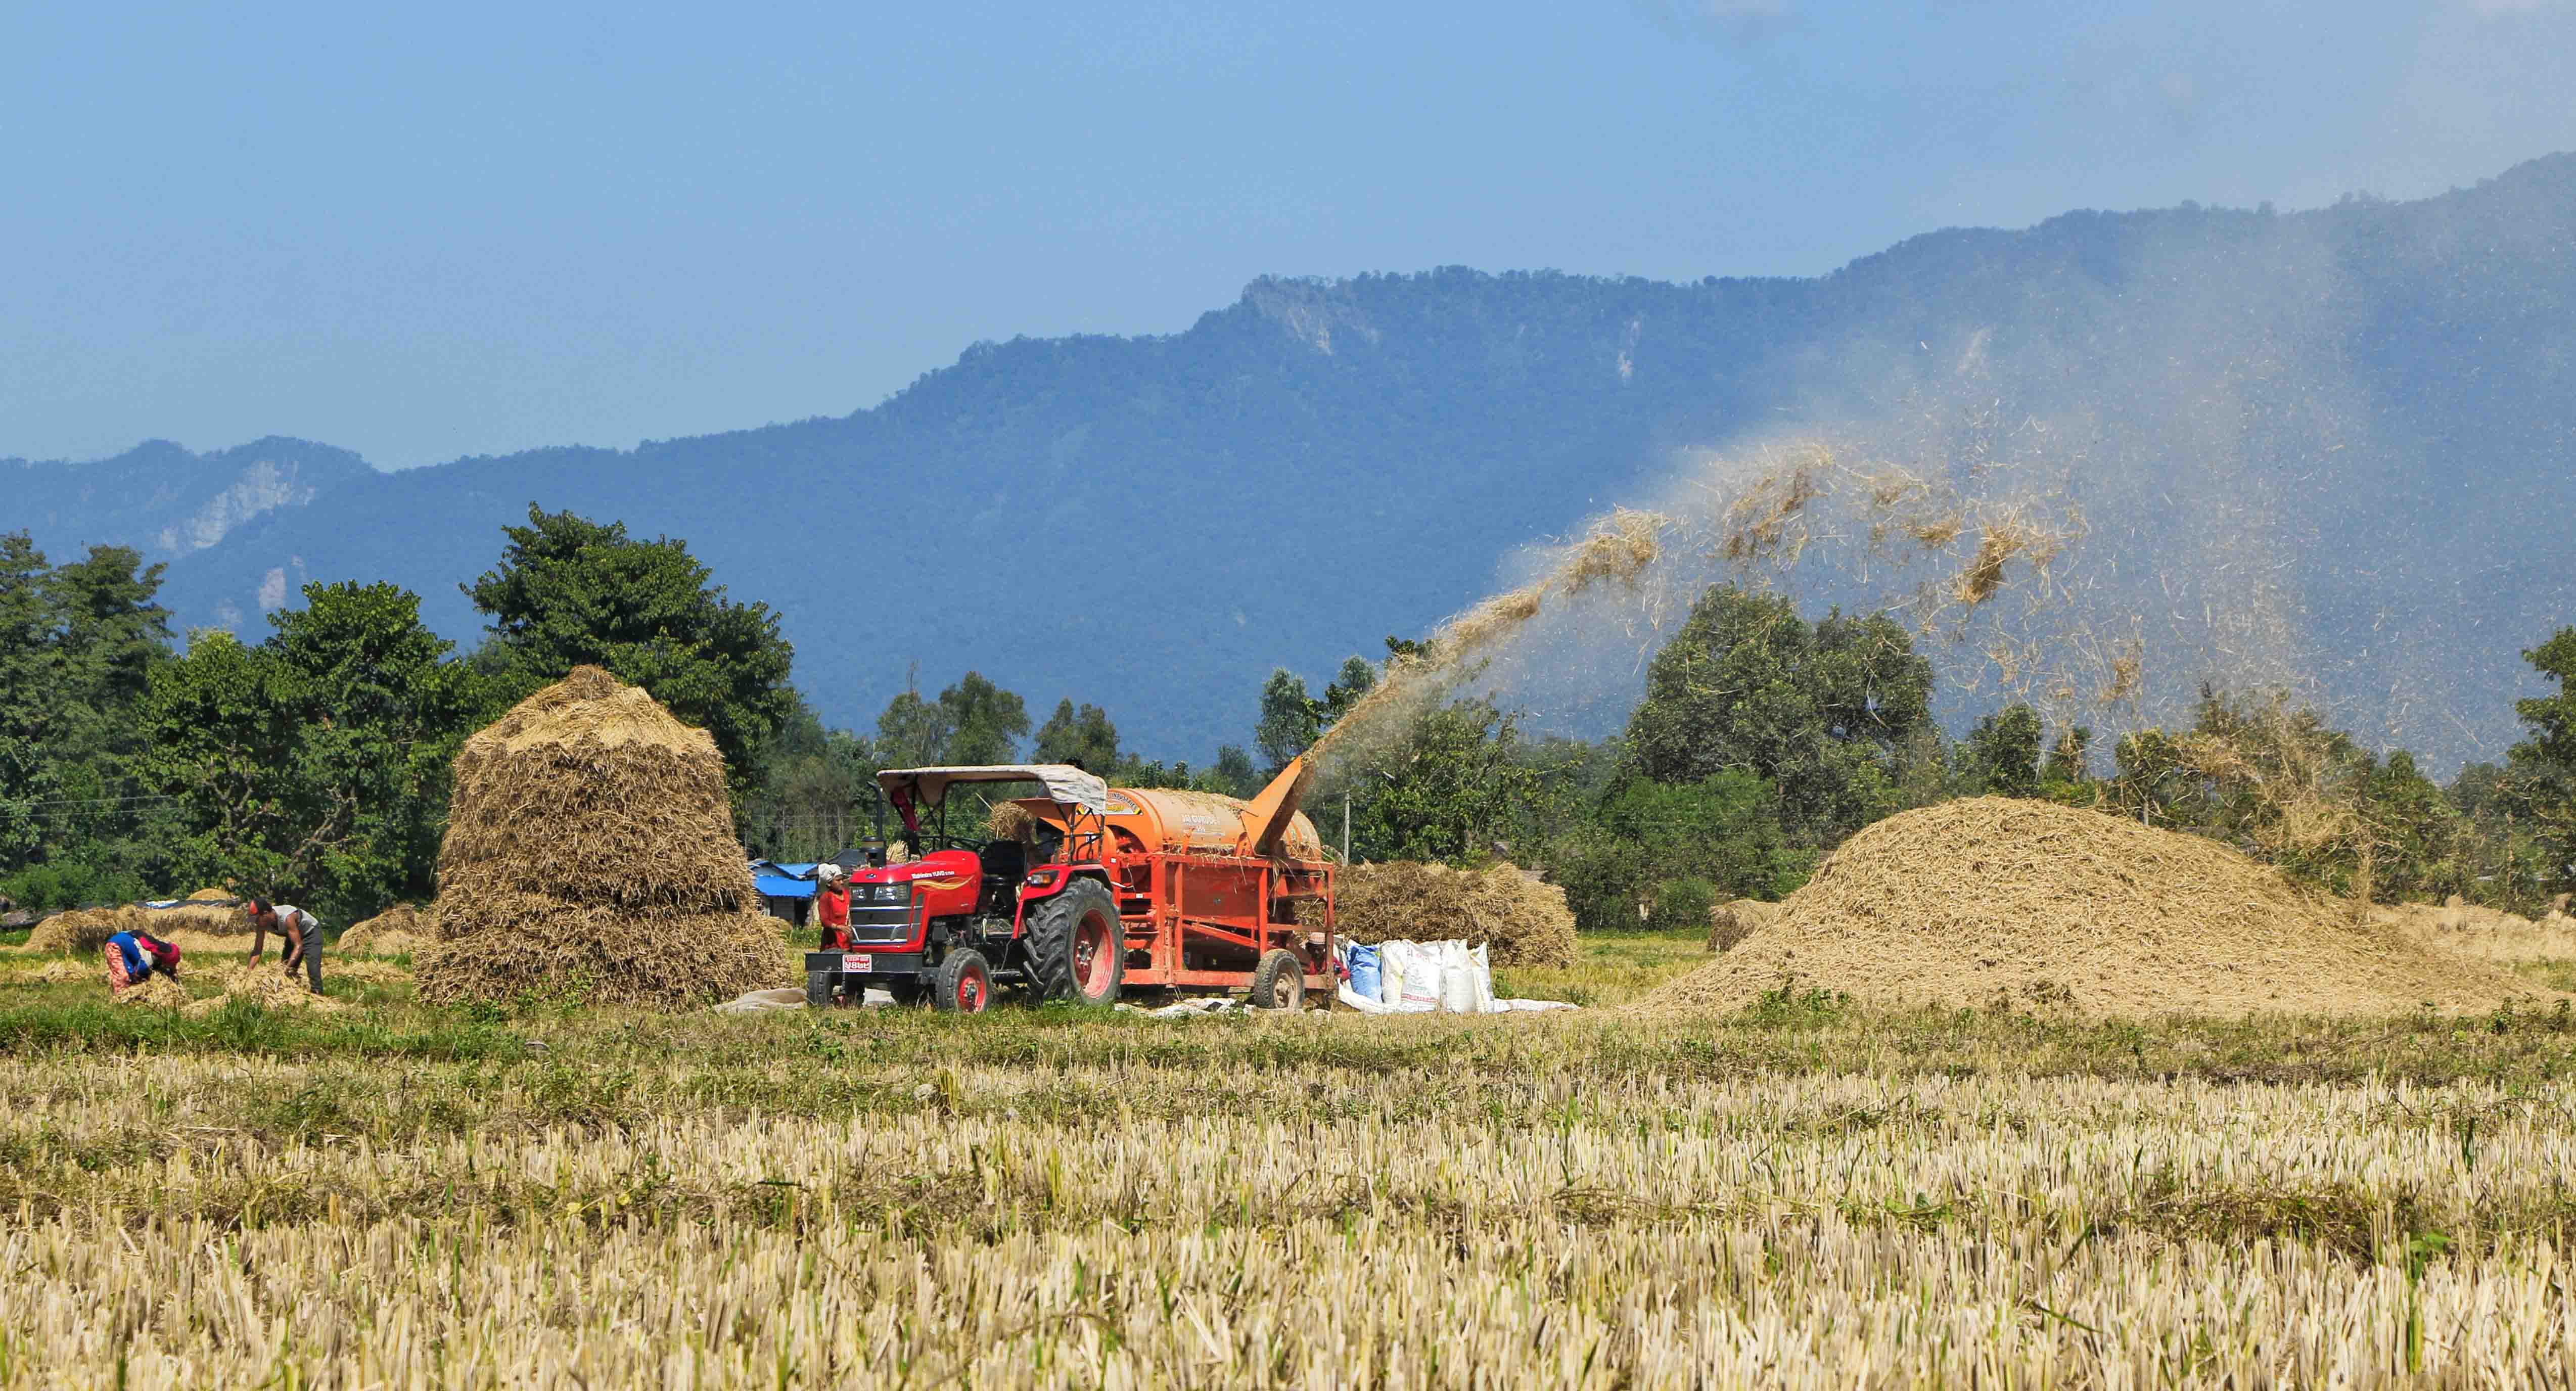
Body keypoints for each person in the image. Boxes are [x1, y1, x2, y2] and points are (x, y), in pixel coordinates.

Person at [245, 898, 326, 994]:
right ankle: (293, 993)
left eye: (257, 919)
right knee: (287, 965)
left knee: (313, 968)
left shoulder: (287, 918)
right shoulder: (261, 925)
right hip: (293, 935)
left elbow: (299, 946)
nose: (256, 923)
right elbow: (258, 950)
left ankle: (317, 995)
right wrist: (248, 973)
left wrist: (284, 971)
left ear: (266, 914)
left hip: (311, 933)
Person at [103, 929, 181, 995]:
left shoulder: (161, 949)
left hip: (126, 941)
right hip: (115, 946)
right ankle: (121, 997)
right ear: (165, 961)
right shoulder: (149, 958)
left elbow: (171, 961)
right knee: (124, 976)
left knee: (132, 967)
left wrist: (173, 972)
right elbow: (140, 970)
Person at [814, 864, 851, 952]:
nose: (842, 882)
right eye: (838, 880)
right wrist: (840, 928)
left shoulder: (848, 895)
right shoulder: (826, 898)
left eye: (842, 880)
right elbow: (825, 921)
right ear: (829, 883)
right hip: (833, 944)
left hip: (848, 941)